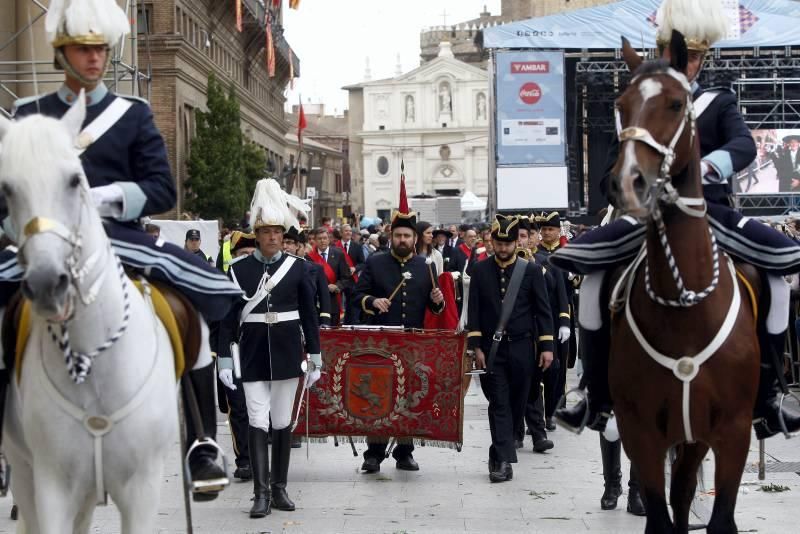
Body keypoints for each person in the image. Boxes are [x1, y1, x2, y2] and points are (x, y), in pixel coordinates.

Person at [4, 0, 242, 499]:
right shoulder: (29, 115)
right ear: (60, 52)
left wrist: (110, 196)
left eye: (100, 49)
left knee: (188, 306)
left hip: (118, 237)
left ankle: (200, 441)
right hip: (44, 238)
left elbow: (161, 189)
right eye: (83, 49)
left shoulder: (131, 115)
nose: (94, 59)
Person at [552, 0, 800, 442]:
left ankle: (769, 396)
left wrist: (703, 168)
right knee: (592, 279)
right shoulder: (644, 99)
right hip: (647, 211)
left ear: (702, 59)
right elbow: (618, 157)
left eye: (692, 56)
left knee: (778, 277)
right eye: (674, 54)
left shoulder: (717, 101)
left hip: (710, 208)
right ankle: (592, 392)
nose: (683, 63)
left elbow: (744, 146)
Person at [217, 179, 321, 518]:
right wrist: (223, 359)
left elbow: (308, 315)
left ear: (283, 233)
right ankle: (260, 494)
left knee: (281, 423)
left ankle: (279, 489)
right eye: (266, 232)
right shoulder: (238, 270)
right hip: (252, 355)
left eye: (278, 231)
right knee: (257, 421)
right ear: (257, 235)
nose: (273, 237)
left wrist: (316, 355)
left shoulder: (299, 268)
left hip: (288, 353)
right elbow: (228, 320)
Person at [352, 211, 445, 473]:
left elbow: (434, 307)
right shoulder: (376, 263)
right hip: (381, 340)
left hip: (412, 343)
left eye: (406, 236)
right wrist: (372, 302)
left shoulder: (426, 265)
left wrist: (438, 301)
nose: (402, 240)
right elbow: (357, 296)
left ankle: (405, 452)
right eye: (398, 235)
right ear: (391, 237)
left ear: (415, 239)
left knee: (408, 397)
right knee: (379, 395)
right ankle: (374, 453)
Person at [467, 215, 554, 483]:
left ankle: (499, 450)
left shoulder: (529, 270)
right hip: (493, 351)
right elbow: (475, 312)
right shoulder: (480, 271)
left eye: (508, 243)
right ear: (492, 242)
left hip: (523, 348)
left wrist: (546, 346)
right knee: (499, 404)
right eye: (499, 243)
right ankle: (503, 461)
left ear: (516, 241)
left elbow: (543, 310)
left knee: (519, 402)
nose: (503, 248)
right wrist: (476, 347)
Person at [215, 230, 257, 482]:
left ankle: (260, 457)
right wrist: (222, 359)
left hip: (260, 351)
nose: (248, 258)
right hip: (235, 350)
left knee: (260, 410)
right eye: (243, 254)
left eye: (253, 253)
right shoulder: (226, 282)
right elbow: (222, 325)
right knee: (238, 407)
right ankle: (244, 460)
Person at [283, 227, 331, 327]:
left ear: (301, 247)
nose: (285, 247)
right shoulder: (277, 268)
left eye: (289, 243)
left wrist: (324, 321)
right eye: (283, 243)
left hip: (309, 318)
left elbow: (324, 297)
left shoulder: (315, 268)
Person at [307, 228, 354, 326]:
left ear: (329, 239)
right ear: (315, 241)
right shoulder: (309, 257)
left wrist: (337, 286)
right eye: (319, 239)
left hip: (334, 300)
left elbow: (346, 277)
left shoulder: (338, 254)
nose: (322, 241)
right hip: (317, 302)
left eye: (325, 238)